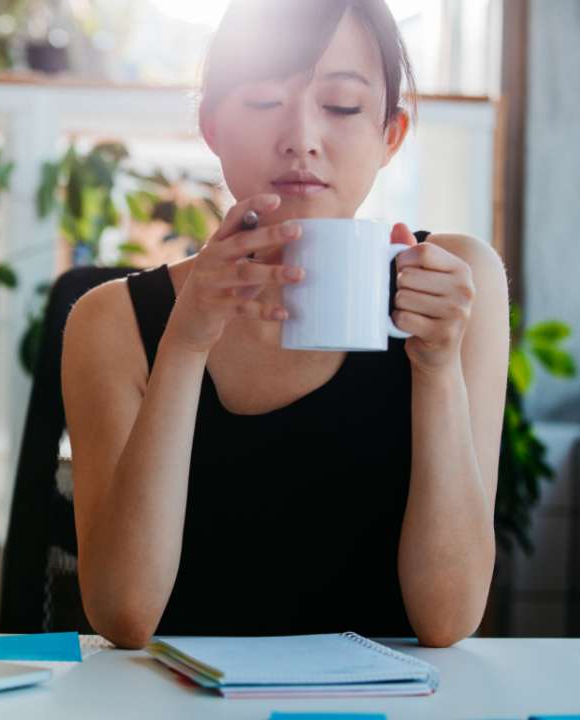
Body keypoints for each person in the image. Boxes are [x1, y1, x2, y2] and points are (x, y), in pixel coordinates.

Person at [61, 0, 509, 650]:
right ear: (211, 128)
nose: (301, 136)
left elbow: (448, 618)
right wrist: (185, 344)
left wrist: (436, 370)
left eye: (343, 106)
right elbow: (125, 616)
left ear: (392, 135)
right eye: (266, 100)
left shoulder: (455, 284)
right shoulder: (111, 322)